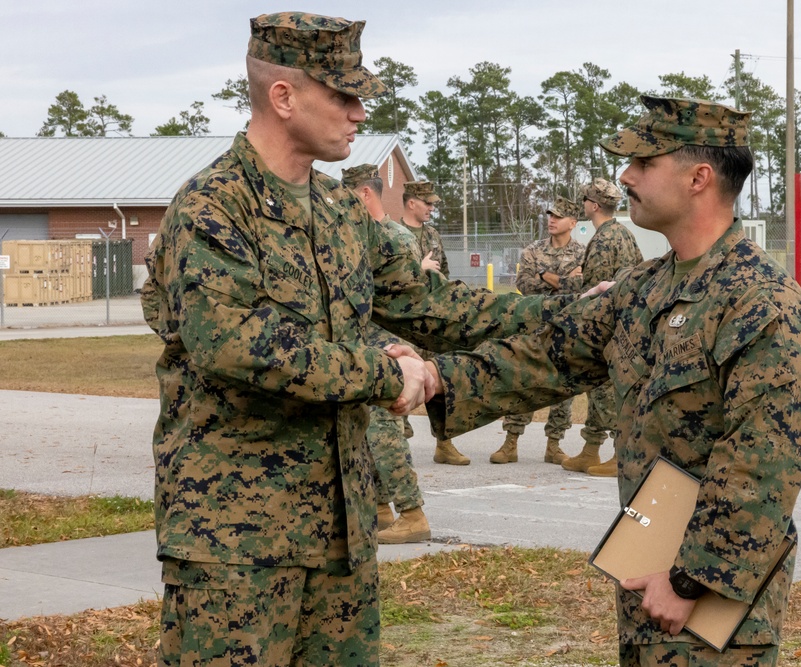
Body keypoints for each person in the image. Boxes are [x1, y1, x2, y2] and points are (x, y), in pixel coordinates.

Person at [140, 13, 573, 666]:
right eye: (343, 94)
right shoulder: (211, 208)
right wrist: (384, 372)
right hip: (235, 543)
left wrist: (568, 317)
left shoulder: (339, 211)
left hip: (341, 533)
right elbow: (236, 343)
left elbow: (432, 306)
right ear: (283, 97)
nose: (359, 111)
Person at [422, 96, 801, 667]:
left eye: (643, 164)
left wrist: (690, 580)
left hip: (711, 609)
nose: (625, 177)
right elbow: (547, 356)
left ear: (699, 177)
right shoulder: (644, 288)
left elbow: (764, 462)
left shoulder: (762, 302)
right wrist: (431, 379)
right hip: (648, 579)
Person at [342, 163, 429, 544]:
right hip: (364, 345)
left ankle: (412, 514)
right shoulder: (360, 233)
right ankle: (380, 508)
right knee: (367, 431)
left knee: (385, 432)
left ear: (364, 194)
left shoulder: (392, 237)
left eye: (347, 197)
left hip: (387, 345)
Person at [490, 195, 585, 465]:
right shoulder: (532, 250)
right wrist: (561, 281)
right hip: (534, 324)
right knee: (522, 380)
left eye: (558, 216)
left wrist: (543, 275)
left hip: (567, 326)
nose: (552, 220)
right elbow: (524, 284)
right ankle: (510, 443)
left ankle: (554, 445)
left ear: (573, 222)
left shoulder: (582, 252)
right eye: (550, 215)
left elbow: (580, 287)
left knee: (564, 386)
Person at [560, 177, 643, 477]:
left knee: (609, 390)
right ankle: (591, 449)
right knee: (599, 388)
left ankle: (621, 455)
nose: (583, 204)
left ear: (594, 206)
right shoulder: (624, 234)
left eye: (585, 200)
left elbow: (595, 286)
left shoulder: (603, 239)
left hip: (606, 324)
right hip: (625, 321)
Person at [398, 179, 469, 465]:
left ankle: (444, 443)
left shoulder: (433, 236)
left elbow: (445, 274)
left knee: (439, 380)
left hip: (431, 319)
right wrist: (418, 268)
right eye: (427, 203)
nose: (431, 208)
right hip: (400, 320)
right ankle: (397, 448)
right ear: (411, 202)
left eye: (433, 204)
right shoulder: (390, 233)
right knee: (399, 379)